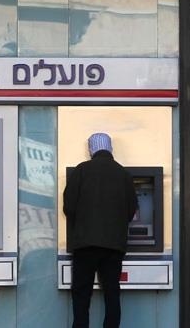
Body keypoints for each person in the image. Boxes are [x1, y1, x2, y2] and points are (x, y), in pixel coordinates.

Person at [63, 132, 138, 328]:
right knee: (112, 294)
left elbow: (68, 207)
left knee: (81, 295)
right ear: (110, 148)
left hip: (85, 245)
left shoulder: (81, 170)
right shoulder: (124, 174)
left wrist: (83, 221)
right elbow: (131, 210)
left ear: (91, 150)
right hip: (114, 246)